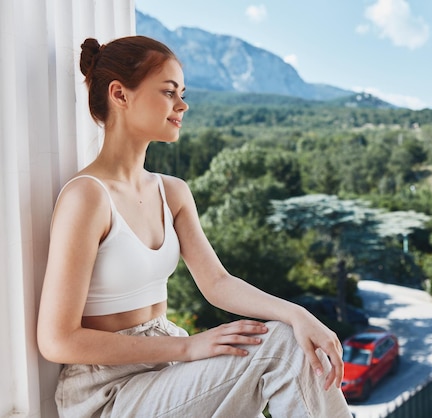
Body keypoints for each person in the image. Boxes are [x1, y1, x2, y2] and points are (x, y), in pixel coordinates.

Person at [37, 35, 352, 418]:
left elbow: (217, 284)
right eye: (169, 92)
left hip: (167, 374)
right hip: (108, 392)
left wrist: (298, 314)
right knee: (280, 346)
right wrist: (187, 348)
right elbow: (58, 340)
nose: (182, 105)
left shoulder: (173, 192)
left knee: (289, 336)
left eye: (182, 93)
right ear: (120, 94)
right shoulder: (87, 197)